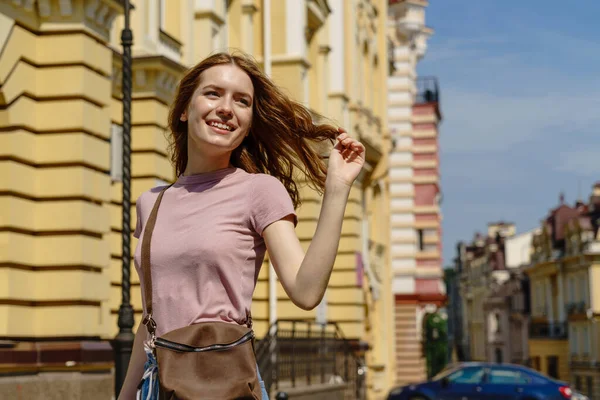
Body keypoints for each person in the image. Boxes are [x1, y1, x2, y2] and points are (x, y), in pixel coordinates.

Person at [117, 51, 365, 400]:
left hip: (226, 385)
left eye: (242, 101)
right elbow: (151, 321)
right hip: (158, 387)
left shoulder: (259, 191)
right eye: (213, 93)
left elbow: (306, 291)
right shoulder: (151, 203)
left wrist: (337, 188)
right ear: (185, 110)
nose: (226, 108)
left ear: (248, 122)